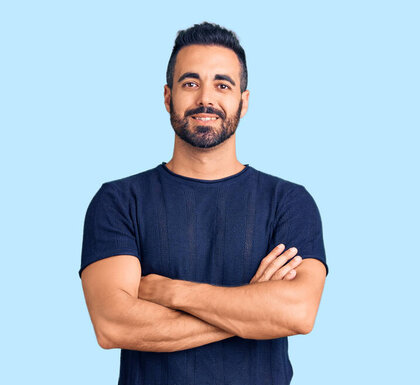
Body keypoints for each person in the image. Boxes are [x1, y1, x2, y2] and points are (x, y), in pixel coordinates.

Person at [79, 22, 328, 385]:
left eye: (222, 85)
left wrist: (172, 292)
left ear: (243, 102)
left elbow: (298, 312)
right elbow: (113, 324)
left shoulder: (289, 202)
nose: (205, 99)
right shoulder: (118, 201)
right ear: (168, 97)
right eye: (190, 83)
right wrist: (253, 308)